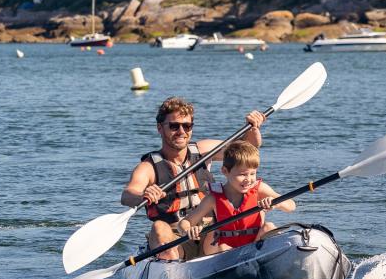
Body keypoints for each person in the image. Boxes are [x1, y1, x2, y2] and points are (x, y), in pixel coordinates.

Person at [120, 96, 266, 260]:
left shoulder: (204, 151)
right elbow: (127, 195)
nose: (181, 131)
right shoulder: (148, 167)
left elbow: (247, 148)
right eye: (174, 126)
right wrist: (143, 195)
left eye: (187, 126)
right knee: (159, 227)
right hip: (175, 237)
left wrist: (253, 128)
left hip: (210, 232)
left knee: (233, 228)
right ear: (160, 128)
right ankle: (170, 266)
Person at [177, 141, 295, 254]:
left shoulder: (259, 189)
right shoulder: (213, 198)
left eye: (252, 173)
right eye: (242, 174)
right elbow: (185, 222)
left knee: (269, 227)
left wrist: (276, 203)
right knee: (217, 239)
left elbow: (291, 206)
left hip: (253, 245)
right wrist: (188, 230)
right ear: (225, 171)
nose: (248, 179)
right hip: (222, 248)